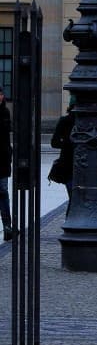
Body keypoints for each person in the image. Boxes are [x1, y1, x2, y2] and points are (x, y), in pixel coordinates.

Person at [49, 101, 77, 192]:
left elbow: (54, 142)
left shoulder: (64, 121)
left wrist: (66, 144)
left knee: (72, 195)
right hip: (81, 164)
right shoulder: (86, 121)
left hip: (67, 163)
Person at [0, 91, 14, 239]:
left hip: (3, 160)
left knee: (3, 192)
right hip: (3, 158)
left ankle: (7, 226)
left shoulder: (5, 112)